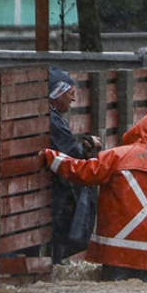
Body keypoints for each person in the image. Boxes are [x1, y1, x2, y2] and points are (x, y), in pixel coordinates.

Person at [43, 105, 147, 284]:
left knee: (114, 290)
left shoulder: (116, 156)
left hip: (115, 252)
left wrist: (51, 157)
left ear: (137, 131)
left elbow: (83, 172)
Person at [48, 66, 102, 263]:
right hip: (55, 195)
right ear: (57, 93)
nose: (73, 99)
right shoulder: (53, 121)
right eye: (70, 94)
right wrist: (88, 147)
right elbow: (70, 153)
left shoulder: (53, 117)